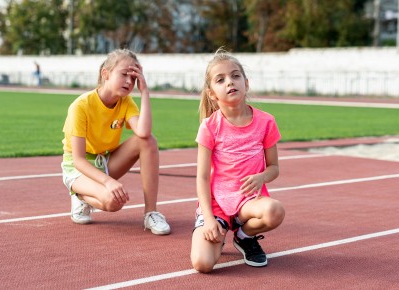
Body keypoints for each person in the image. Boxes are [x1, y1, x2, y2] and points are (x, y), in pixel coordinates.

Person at [190, 49, 285, 272]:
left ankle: (243, 236)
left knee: (275, 211)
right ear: (212, 94)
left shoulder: (266, 122)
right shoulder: (209, 126)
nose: (230, 82)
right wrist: (209, 218)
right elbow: (202, 177)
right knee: (203, 264)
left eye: (235, 76)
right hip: (216, 205)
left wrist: (262, 176)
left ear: (246, 83)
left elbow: (274, 168)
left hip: (248, 202)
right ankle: (220, 230)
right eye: (220, 80)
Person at [60, 49, 171, 235]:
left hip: (104, 162)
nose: (129, 81)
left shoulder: (126, 102)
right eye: (124, 74)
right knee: (113, 202)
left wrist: (145, 93)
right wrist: (109, 182)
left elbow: (143, 132)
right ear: (106, 73)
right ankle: (79, 195)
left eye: (134, 78)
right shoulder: (80, 106)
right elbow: (78, 160)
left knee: (148, 141)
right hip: (78, 168)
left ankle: (151, 212)